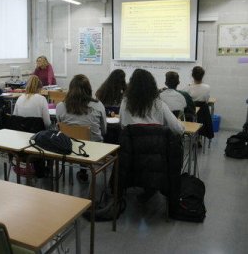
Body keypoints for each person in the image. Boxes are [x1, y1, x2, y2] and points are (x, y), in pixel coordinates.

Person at [119, 68, 185, 202]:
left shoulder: (125, 103)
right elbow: (178, 129)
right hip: (156, 158)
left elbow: (122, 124)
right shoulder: (159, 104)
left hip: (130, 155)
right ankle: (152, 187)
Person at [56, 74, 107, 183]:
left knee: (78, 141)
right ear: (89, 89)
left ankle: (82, 171)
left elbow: (59, 126)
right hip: (94, 148)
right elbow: (104, 130)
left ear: (70, 89)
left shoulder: (60, 106)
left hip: (69, 147)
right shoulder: (98, 106)